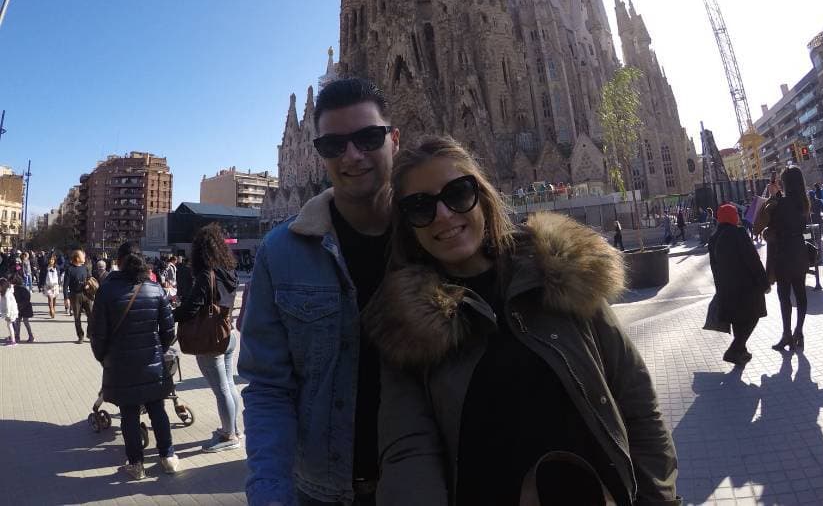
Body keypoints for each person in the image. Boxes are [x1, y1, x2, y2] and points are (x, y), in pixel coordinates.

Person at [365, 136, 679, 506]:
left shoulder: (559, 272)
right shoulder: (405, 324)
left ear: (481, 196)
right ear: (408, 225)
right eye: (420, 207)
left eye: (458, 193)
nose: (444, 215)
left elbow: (635, 395)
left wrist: (659, 499)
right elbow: (408, 449)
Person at [238, 78, 400, 505]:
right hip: (318, 491)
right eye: (333, 145)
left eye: (368, 137)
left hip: (421, 484)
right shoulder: (280, 253)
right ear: (318, 153)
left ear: (394, 140)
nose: (352, 155)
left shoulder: (430, 237)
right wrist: (270, 493)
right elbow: (268, 388)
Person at [90, 241, 179, 480]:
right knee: (157, 409)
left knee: (129, 414)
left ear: (118, 262)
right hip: (152, 363)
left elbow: (97, 333)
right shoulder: (155, 289)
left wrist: (103, 357)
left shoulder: (106, 291)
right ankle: (168, 456)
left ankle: (136, 464)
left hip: (120, 364)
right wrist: (157, 350)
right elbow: (169, 332)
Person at [173, 223, 242, 452]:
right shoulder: (229, 272)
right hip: (228, 333)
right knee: (229, 384)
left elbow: (191, 308)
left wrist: (169, 314)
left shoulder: (206, 275)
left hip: (210, 340)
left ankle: (228, 436)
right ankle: (233, 429)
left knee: (221, 388)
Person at [708, 204, 768, 365]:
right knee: (753, 316)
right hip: (746, 288)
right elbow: (753, 260)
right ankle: (735, 349)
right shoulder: (738, 233)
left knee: (737, 321)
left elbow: (714, 267)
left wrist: (720, 288)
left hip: (727, 290)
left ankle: (741, 352)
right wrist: (764, 283)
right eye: (736, 214)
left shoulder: (714, 238)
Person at [766, 167, 811, 352]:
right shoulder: (804, 202)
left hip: (783, 252)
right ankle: (798, 331)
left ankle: (787, 335)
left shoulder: (780, 203)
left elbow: (771, 224)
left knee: (784, 295)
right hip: (799, 251)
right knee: (800, 293)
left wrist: (774, 197)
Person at [63, 250, 92, 343]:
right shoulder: (69, 269)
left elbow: (89, 278)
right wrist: (66, 298)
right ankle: (80, 336)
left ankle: (90, 333)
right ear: (77, 258)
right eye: (82, 256)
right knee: (77, 317)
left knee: (91, 315)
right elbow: (65, 285)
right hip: (75, 295)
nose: (84, 257)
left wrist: (88, 284)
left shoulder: (85, 267)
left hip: (86, 294)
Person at [12, 272, 35, 343]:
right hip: (20, 307)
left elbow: (27, 299)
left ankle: (31, 336)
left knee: (25, 322)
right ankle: (17, 336)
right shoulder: (16, 289)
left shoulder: (22, 289)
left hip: (24, 308)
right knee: (18, 322)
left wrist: (19, 306)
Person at [1, 278, 19, 346]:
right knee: (10, 326)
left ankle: (13, 341)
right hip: (11, 311)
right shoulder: (6, 292)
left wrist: (8, 315)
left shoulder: (7, 294)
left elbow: (8, 305)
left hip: (11, 312)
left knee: (9, 325)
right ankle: (12, 339)